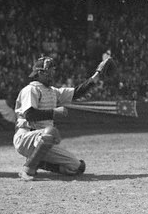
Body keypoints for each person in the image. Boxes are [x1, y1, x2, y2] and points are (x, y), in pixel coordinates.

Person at [13, 53, 114, 181]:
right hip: (25, 137)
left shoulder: (52, 91)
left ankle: (37, 161)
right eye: (48, 72)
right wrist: (54, 112)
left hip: (42, 140)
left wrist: (97, 75)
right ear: (38, 73)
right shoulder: (31, 89)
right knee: (51, 133)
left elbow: (76, 92)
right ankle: (28, 169)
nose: (52, 74)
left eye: (52, 71)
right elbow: (29, 115)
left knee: (77, 168)